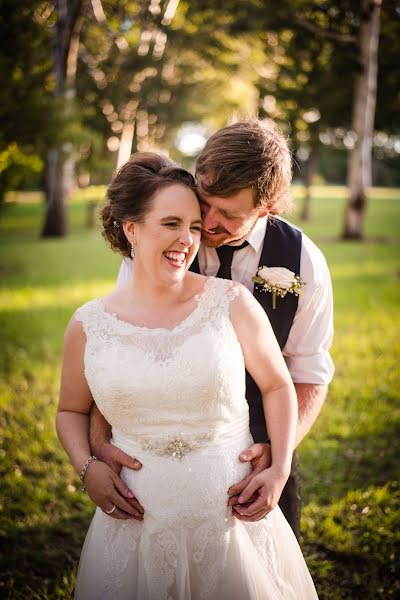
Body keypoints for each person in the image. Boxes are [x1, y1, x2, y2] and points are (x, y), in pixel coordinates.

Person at [56, 151, 319, 599]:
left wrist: (279, 467)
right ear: (131, 227)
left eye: (194, 227)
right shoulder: (88, 324)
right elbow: (69, 409)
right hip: (135, 519)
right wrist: (87, 467)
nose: (188, 239)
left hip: (228, 514)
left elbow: (280, 383)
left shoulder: (231, 302)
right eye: (172, 224)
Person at [90, 118, 334, 540]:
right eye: (206, 201)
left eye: (229, 214)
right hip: (158, 454)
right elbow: (118, 346)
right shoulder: (159, 241)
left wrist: (279, 454)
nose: (207, 221)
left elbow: (309, 372)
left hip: (261, 448)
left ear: (267, 208)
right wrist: (97, 442)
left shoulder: (303, 262)